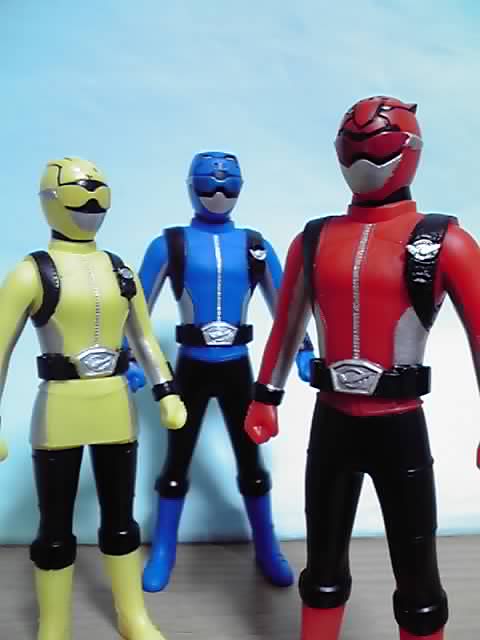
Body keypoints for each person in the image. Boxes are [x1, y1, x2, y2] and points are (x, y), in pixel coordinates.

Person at [244, 96, 480, 640]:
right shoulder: (313, 239)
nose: (361, 157)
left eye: (377, 145)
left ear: (408, 150)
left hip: (399, 425)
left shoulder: (445, 241)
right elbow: (287, 324)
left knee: (418, 575)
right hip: (332, 424)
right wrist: (265, 395)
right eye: (350, 146)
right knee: (322, 568)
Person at [0, 157, 187, 640]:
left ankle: (133, 615)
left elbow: (144, 339)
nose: (91, 200)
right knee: (54, 527)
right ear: (51, 198)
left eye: (98, 190)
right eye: (79, 191)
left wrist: (166, 391)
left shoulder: (119, 269)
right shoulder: (32, 272)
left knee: (121, 521)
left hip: (115, 407)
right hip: (59, 409)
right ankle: (54, 626)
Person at [126, 151, 314, 592]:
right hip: (190, 367)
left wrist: (303, 351)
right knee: (176, 459)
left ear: (241, 187)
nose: (218, 191)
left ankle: (266, 545)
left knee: (251, 459)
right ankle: (164, 549)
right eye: (208, 183)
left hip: (236, 367)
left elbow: (287, 308)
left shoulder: (254, 245)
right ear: (191, 186)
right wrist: (128, 359)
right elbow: (134, 309)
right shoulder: (170, 244)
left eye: (228, 183)